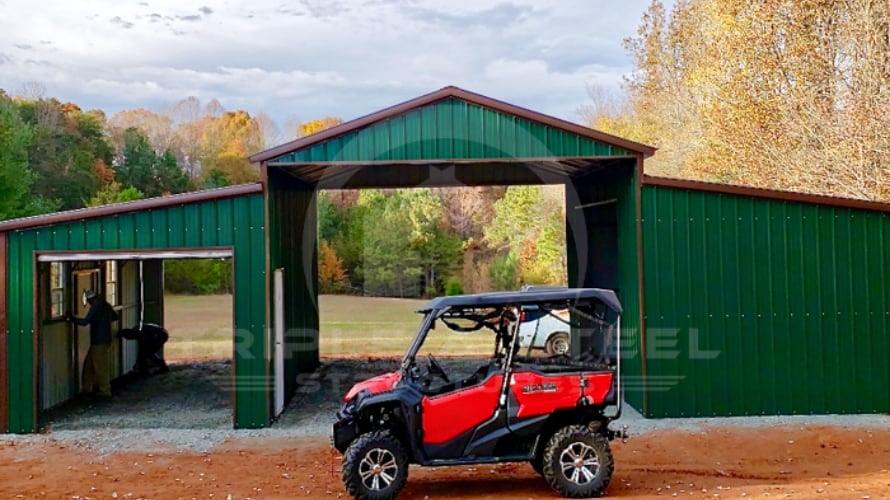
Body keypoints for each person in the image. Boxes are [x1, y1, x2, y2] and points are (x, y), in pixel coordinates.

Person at [66, 289, 118, 398]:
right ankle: (87, 388)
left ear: (90, 300)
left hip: (98, 341)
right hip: (105, 339)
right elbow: (115, 317)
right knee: (89, 365)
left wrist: (72, 319)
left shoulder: (95, 307)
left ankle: (105, 390)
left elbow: (85, 322)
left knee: (100, 367)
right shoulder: (105, 305)